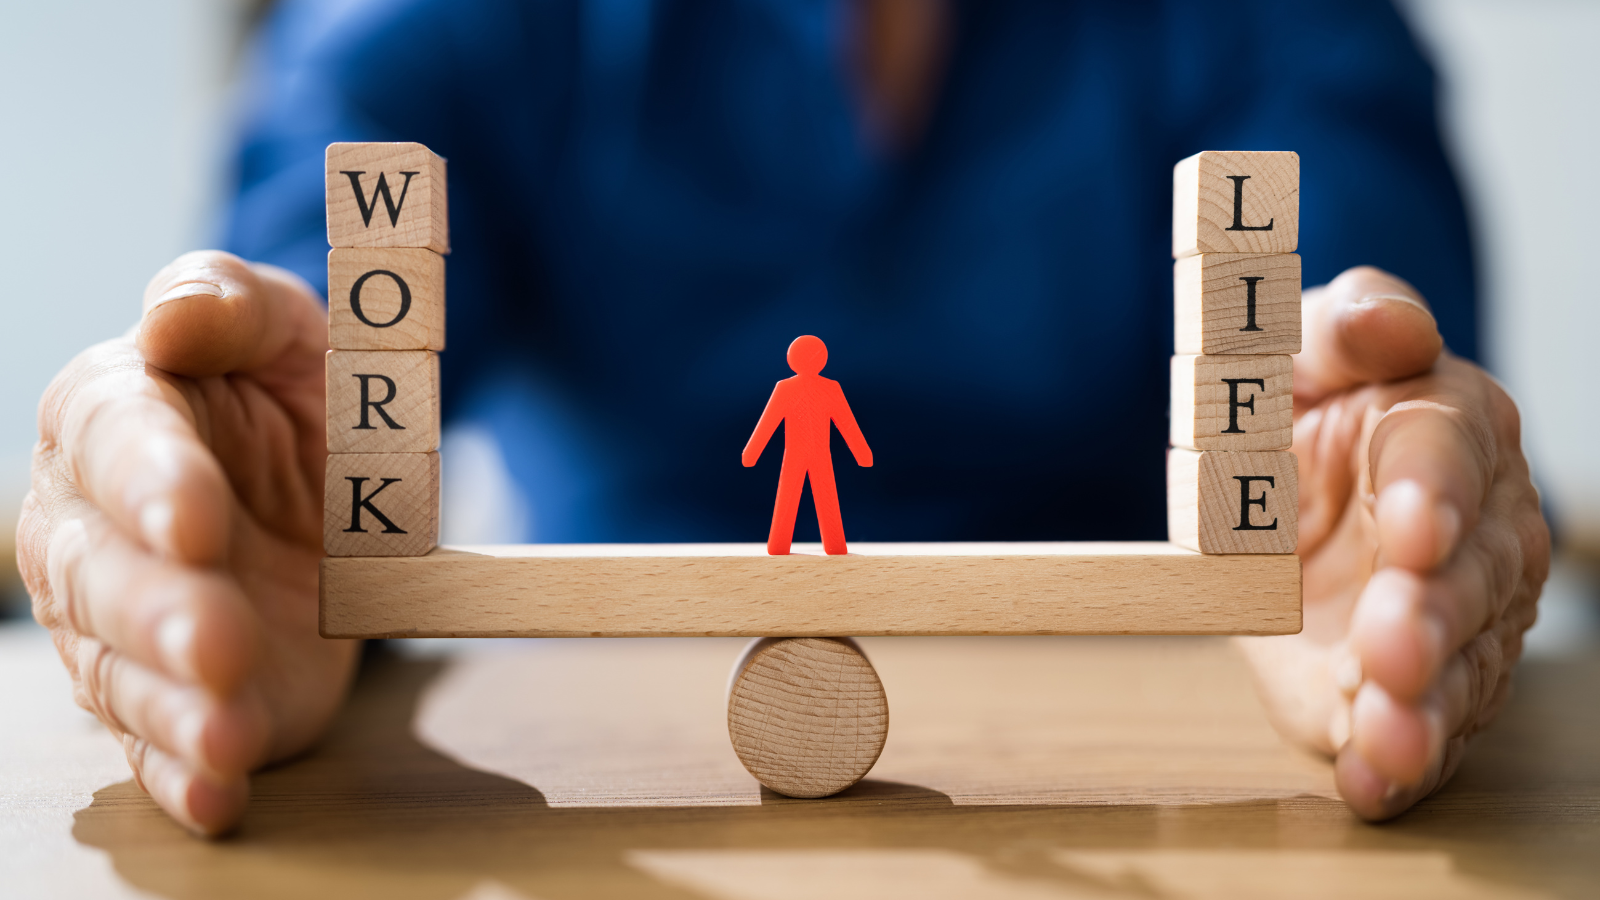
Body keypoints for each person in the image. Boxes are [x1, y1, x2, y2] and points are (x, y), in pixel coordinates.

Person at [16, 0, 1548, 835]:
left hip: (1179, 744)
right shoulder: (449, 26)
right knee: (799, 513)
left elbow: (1364, 343)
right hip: (605, 743)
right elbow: (315, 305)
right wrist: (237, 471)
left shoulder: (1273, 26)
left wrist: (1384, 488)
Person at [743, 335, 874, 556]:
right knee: (818, 497)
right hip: (807, 454)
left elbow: (846, 422)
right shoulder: (815, 388)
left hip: (807, 454)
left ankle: (786, 545)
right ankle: (797, 545)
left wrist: (752, 453)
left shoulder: (805, 388)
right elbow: (769, 422)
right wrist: (862, 453)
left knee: (801, 497)